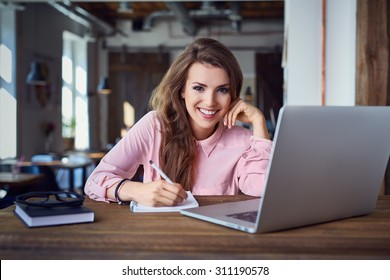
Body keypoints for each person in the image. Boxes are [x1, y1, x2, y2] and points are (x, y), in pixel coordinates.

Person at [84, 38, 272, 206]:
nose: (210, 101)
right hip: (160, 236)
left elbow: (262, 189)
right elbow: (94, 182)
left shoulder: (244, 141)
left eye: (222, 90)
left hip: (217, 238)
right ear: (182, 90)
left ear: (232, 94)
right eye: (199, 88)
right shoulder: (155, 126)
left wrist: (259, 121)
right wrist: (136, 191)